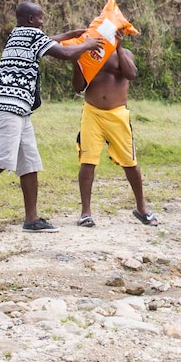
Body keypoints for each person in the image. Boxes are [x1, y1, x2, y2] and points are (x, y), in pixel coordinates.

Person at [0, 1, 102, 232]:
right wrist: (88, 44)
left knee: (29, 163)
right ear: (31, 20)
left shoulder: (18, 33)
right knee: (2, 159)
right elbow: (63, 53)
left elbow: (49, 40)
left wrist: (70, 34)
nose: (43, 20)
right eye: (41, 17)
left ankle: (31, 219)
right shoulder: (33, 35)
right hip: (9, 107)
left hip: (20, 109)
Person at [71, 45, 159, 227]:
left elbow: (131, 74)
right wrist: (76, 60)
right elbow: (78, 87)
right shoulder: (89, 52)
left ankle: (141, 208)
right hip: (91, 113)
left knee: (130, 163)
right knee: (87, 161)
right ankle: (85, 213)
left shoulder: (125, 53)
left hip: (117, 114)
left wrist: (118, 48)